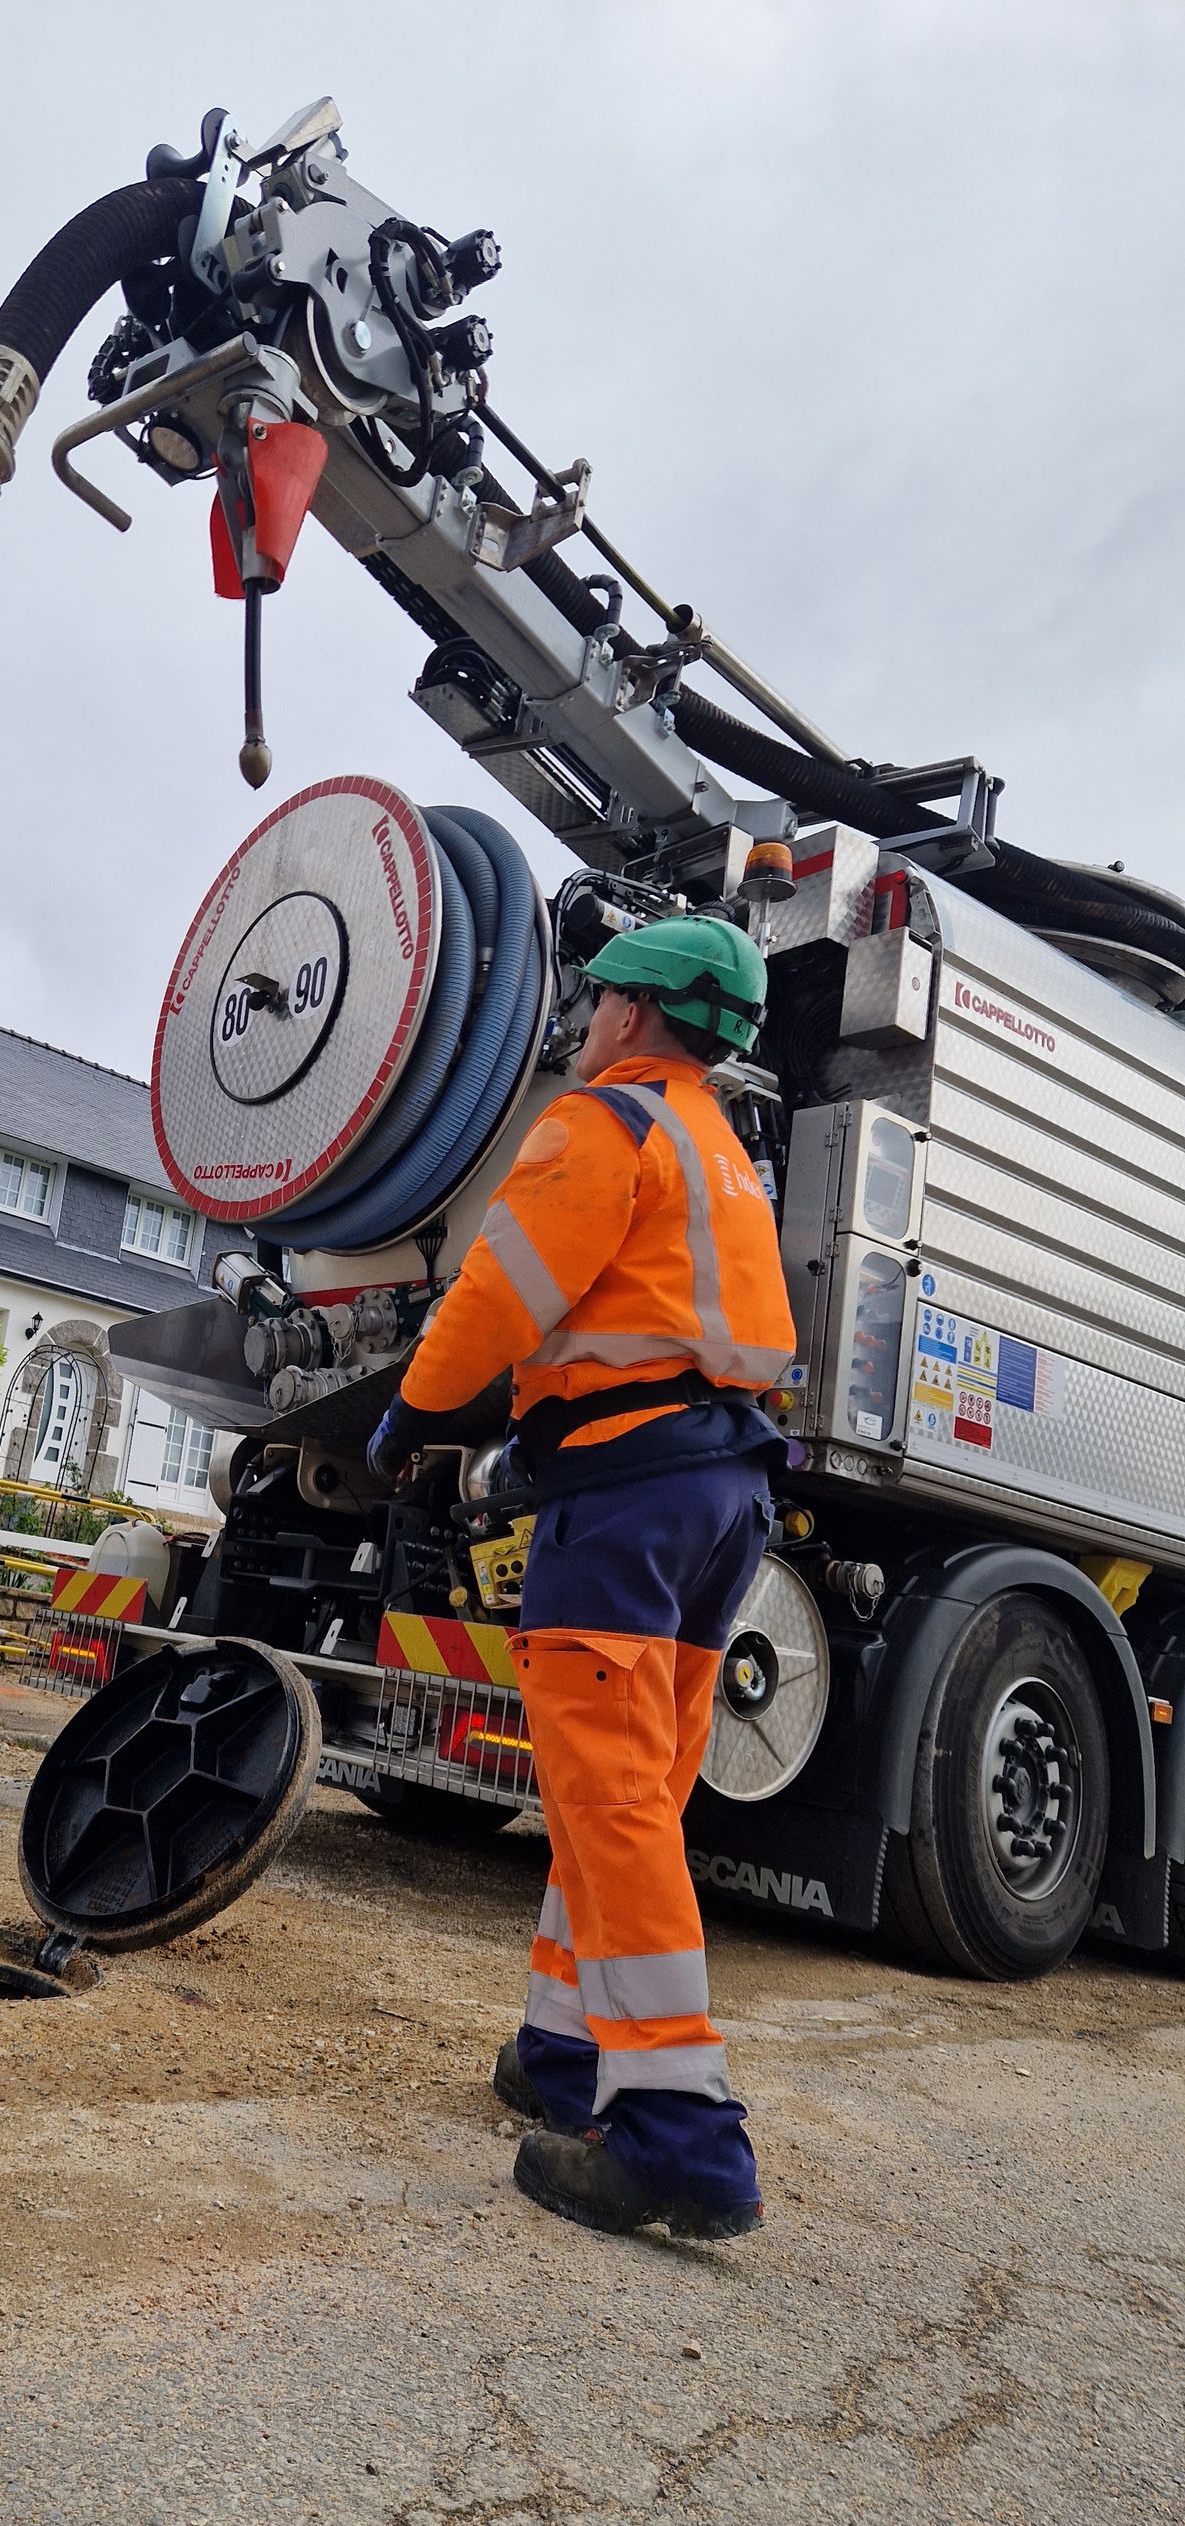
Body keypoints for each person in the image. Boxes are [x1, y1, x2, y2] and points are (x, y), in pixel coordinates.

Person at [366, 914, 795, 2240]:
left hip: (624, 1495)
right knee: (628, 1792)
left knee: (605, 1795)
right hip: (724, 1498)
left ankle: (677, 2133)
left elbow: (499, 1292)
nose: (585, 1020)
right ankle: (566, 2049)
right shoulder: (721, 1152)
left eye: (596, 998)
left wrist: (414, 1413)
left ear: (628, 1016)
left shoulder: (603, 1126)